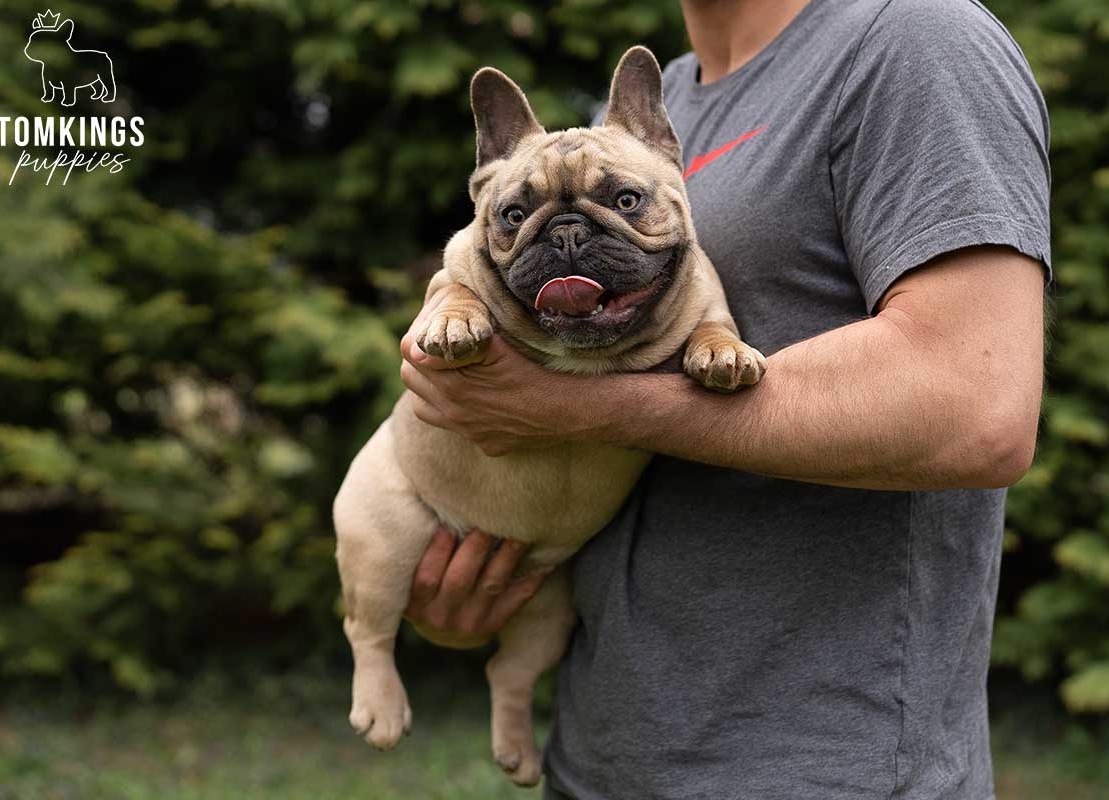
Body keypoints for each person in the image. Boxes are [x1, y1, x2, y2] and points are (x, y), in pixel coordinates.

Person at [397, 0, 1051, 796]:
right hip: (599, 757)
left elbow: (975, 409)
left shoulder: (916, 40)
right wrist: (487, 579)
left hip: (816, 769)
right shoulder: (670, 90)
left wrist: (569, 405)